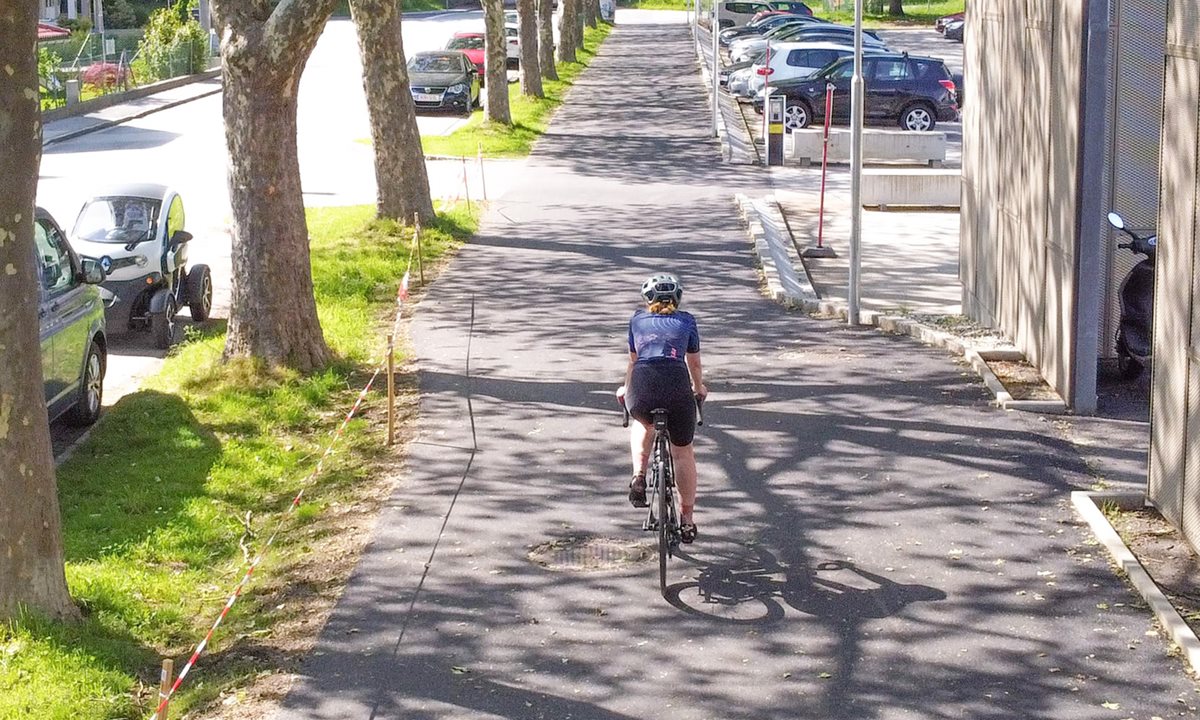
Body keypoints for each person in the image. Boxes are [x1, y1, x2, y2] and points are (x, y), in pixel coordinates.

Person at [620, 273, 707, 543]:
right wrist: (699, 388)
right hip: (676, 384)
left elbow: (634, 362)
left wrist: (625, 389)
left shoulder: (637, 320)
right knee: (682, 452)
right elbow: (693, 364)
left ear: (648, 300)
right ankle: (687, 520)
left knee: (642, 423)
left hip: (643, 384)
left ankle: (639, 475)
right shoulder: (687, 321)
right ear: (677, 299)